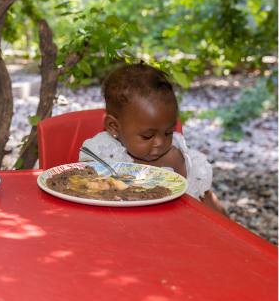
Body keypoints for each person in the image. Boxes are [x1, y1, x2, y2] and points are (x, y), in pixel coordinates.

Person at [79, 62, 225, 214]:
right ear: (114, 127)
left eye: (168, 132)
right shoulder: (101, 154)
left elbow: (206, 200)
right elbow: (88, 194)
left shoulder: (179, 158)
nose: (160, 142)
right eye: (147, 136)